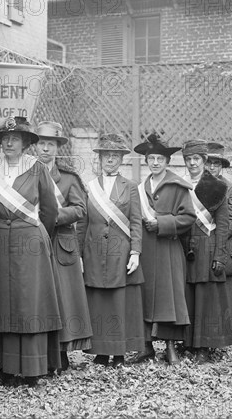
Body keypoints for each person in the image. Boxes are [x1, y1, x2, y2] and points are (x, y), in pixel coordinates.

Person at [0, 116, 61, 387]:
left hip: (30, 240)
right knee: (2, 301)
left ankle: (32, 366)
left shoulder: (37, 169)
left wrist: (39, 237)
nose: (8, 142)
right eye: (5, 138)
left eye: (14, 138)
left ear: (26, 143)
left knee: (29, 303)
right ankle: (5, 367)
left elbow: (50, 211)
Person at [77, 133, 145, 368]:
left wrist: (135, 251)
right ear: (100, 158)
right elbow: (82, 223)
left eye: (115, 156)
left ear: (121, 160)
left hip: (121, 251)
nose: (110, 160)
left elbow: (136, 221)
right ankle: (101, 351)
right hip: (94, 251)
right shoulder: (90, 187)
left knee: (119, 301)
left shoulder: (132, 187)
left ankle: (119, 352)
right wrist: (78, 255)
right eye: (107, 155)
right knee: (99, 301)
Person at [130, 134, 196, 365]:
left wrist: (163, 222)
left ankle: (169, 347)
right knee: (144, 295)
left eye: (160, 158)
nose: (155, 162)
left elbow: (189, 217)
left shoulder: (178, 186)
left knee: (170, 298)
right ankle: (146, 346)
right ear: (146, 161)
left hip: (169, 249)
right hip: (146, 249)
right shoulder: (139, 188)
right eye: (151, 158)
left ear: (167, 162)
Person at [36, 121, 92, 373]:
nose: (45, 148)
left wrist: (54, 215)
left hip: (61, 244)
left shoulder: (69, 178)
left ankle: (61, 354)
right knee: (40, 298)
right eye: (41, 143)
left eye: (50, 144)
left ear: (57, 148)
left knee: (62, 299)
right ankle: (41, 353)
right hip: (34, 244)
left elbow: (81, 209)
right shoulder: (26, 173)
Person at [180, 139, 232, 363]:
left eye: (196, 159)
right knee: (189, 295)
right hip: (186, 246)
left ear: (204, 161)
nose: (192, 163)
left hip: (209, 244)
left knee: (207, 297)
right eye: (188, 159)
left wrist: (220, 254)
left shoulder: (217, 186)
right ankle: (190, 342)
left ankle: (205, 345)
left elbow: (223, 223)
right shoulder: (181, 185)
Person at [206, 142, 232, 348]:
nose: (212, 167)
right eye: (209, 163)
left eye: (216, 163)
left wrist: (216, 238)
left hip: (225, 244)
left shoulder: (230, 188)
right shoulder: (196, 186)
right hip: (203, 246)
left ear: (222, 166)